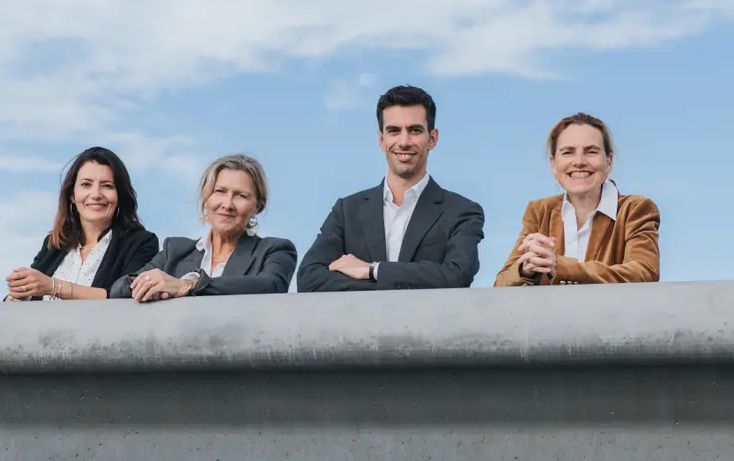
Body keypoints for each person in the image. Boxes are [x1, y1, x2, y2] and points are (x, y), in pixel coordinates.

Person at [297, 84, 485, 292]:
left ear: (432, 139)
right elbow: (309, 278)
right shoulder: (347, 210)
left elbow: (457, 275)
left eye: (414, 130)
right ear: (381, 140)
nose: (404, 142)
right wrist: (387, 286)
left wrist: (373, 271)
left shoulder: (462, 212)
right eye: (394, 131)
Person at [495, 113, 660, 286]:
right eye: (568, 152)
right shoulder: (540, 211)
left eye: (591, 152)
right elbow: (500, 284)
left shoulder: (635, 209)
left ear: (609, 161)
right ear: (553, 163)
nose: (579, 161)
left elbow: (644, 272)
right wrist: (525, 269)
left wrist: (560, 266)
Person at [110, 154, 296, 301]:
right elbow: (118, 288)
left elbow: (271, 285)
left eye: (240, 195)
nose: (227, 204)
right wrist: (149, 285)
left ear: (256, 207)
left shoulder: (275, 250)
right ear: (207, 199)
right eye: (220, 191)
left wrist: (187, 285)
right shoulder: (174, 250)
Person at [4, 146, 159, 301]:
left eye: (107, 186)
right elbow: (30, 295)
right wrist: (17, 292)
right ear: (72, 195)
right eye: (86, 184)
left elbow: (127, 295)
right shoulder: (53, 244)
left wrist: (54, 286)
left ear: (119, 196)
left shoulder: (141, 243)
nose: (96, 195)